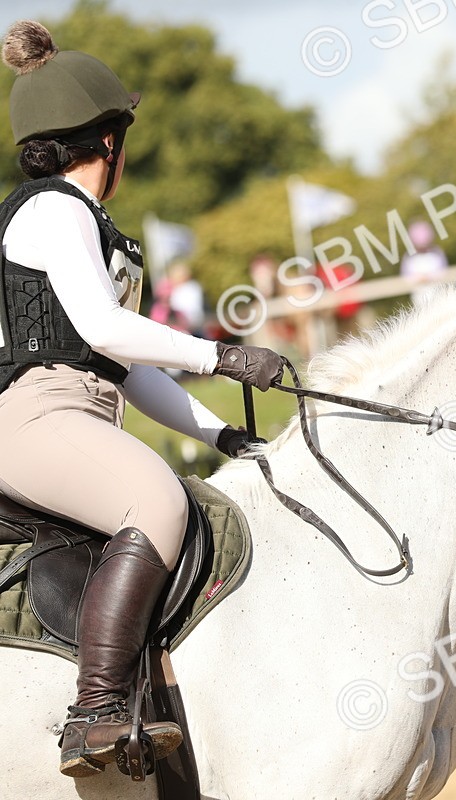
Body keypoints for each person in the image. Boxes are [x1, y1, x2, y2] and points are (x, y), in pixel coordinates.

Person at [0, 21, 285, 778]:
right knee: (156, 504)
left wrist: (224, 435)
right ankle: (94, 713)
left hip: (83, 410)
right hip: (34, 415)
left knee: (176, 493)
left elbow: (122, 364)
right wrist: (221, 353)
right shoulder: (51, 209)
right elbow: (102, 326)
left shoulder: (96, 228)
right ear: (107, 140)